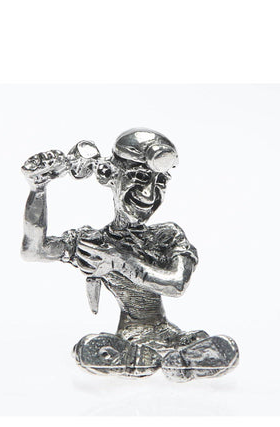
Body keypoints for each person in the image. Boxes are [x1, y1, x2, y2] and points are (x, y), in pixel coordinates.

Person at [21, 128, 239, 381]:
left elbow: (177, 284)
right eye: (139, 177)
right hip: (128, 339)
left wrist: (120, 260)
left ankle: (172, 361)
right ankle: (146, 359)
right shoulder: (94, 243)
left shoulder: (167, 236)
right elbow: (34, 251)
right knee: (89, 347)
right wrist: (38, 190)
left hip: (172, 335)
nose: (149, 193)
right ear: (108, 175)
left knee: (226, 347)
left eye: (160, 181)